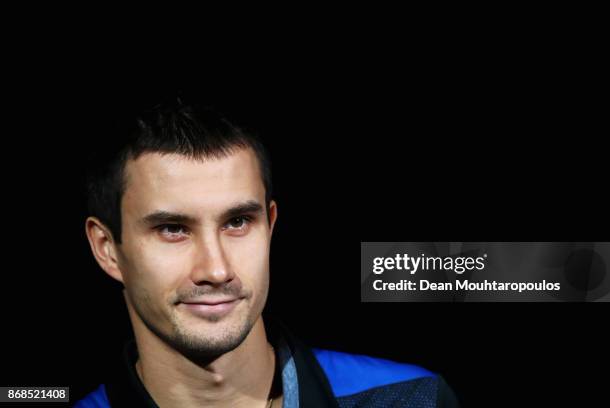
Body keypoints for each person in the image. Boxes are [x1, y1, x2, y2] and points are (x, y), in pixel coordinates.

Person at [76, 100, 459, 407]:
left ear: (270, 226)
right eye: (172, 229)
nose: (216, 268)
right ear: (107, 249)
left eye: (238, 222)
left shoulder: (410, 398)